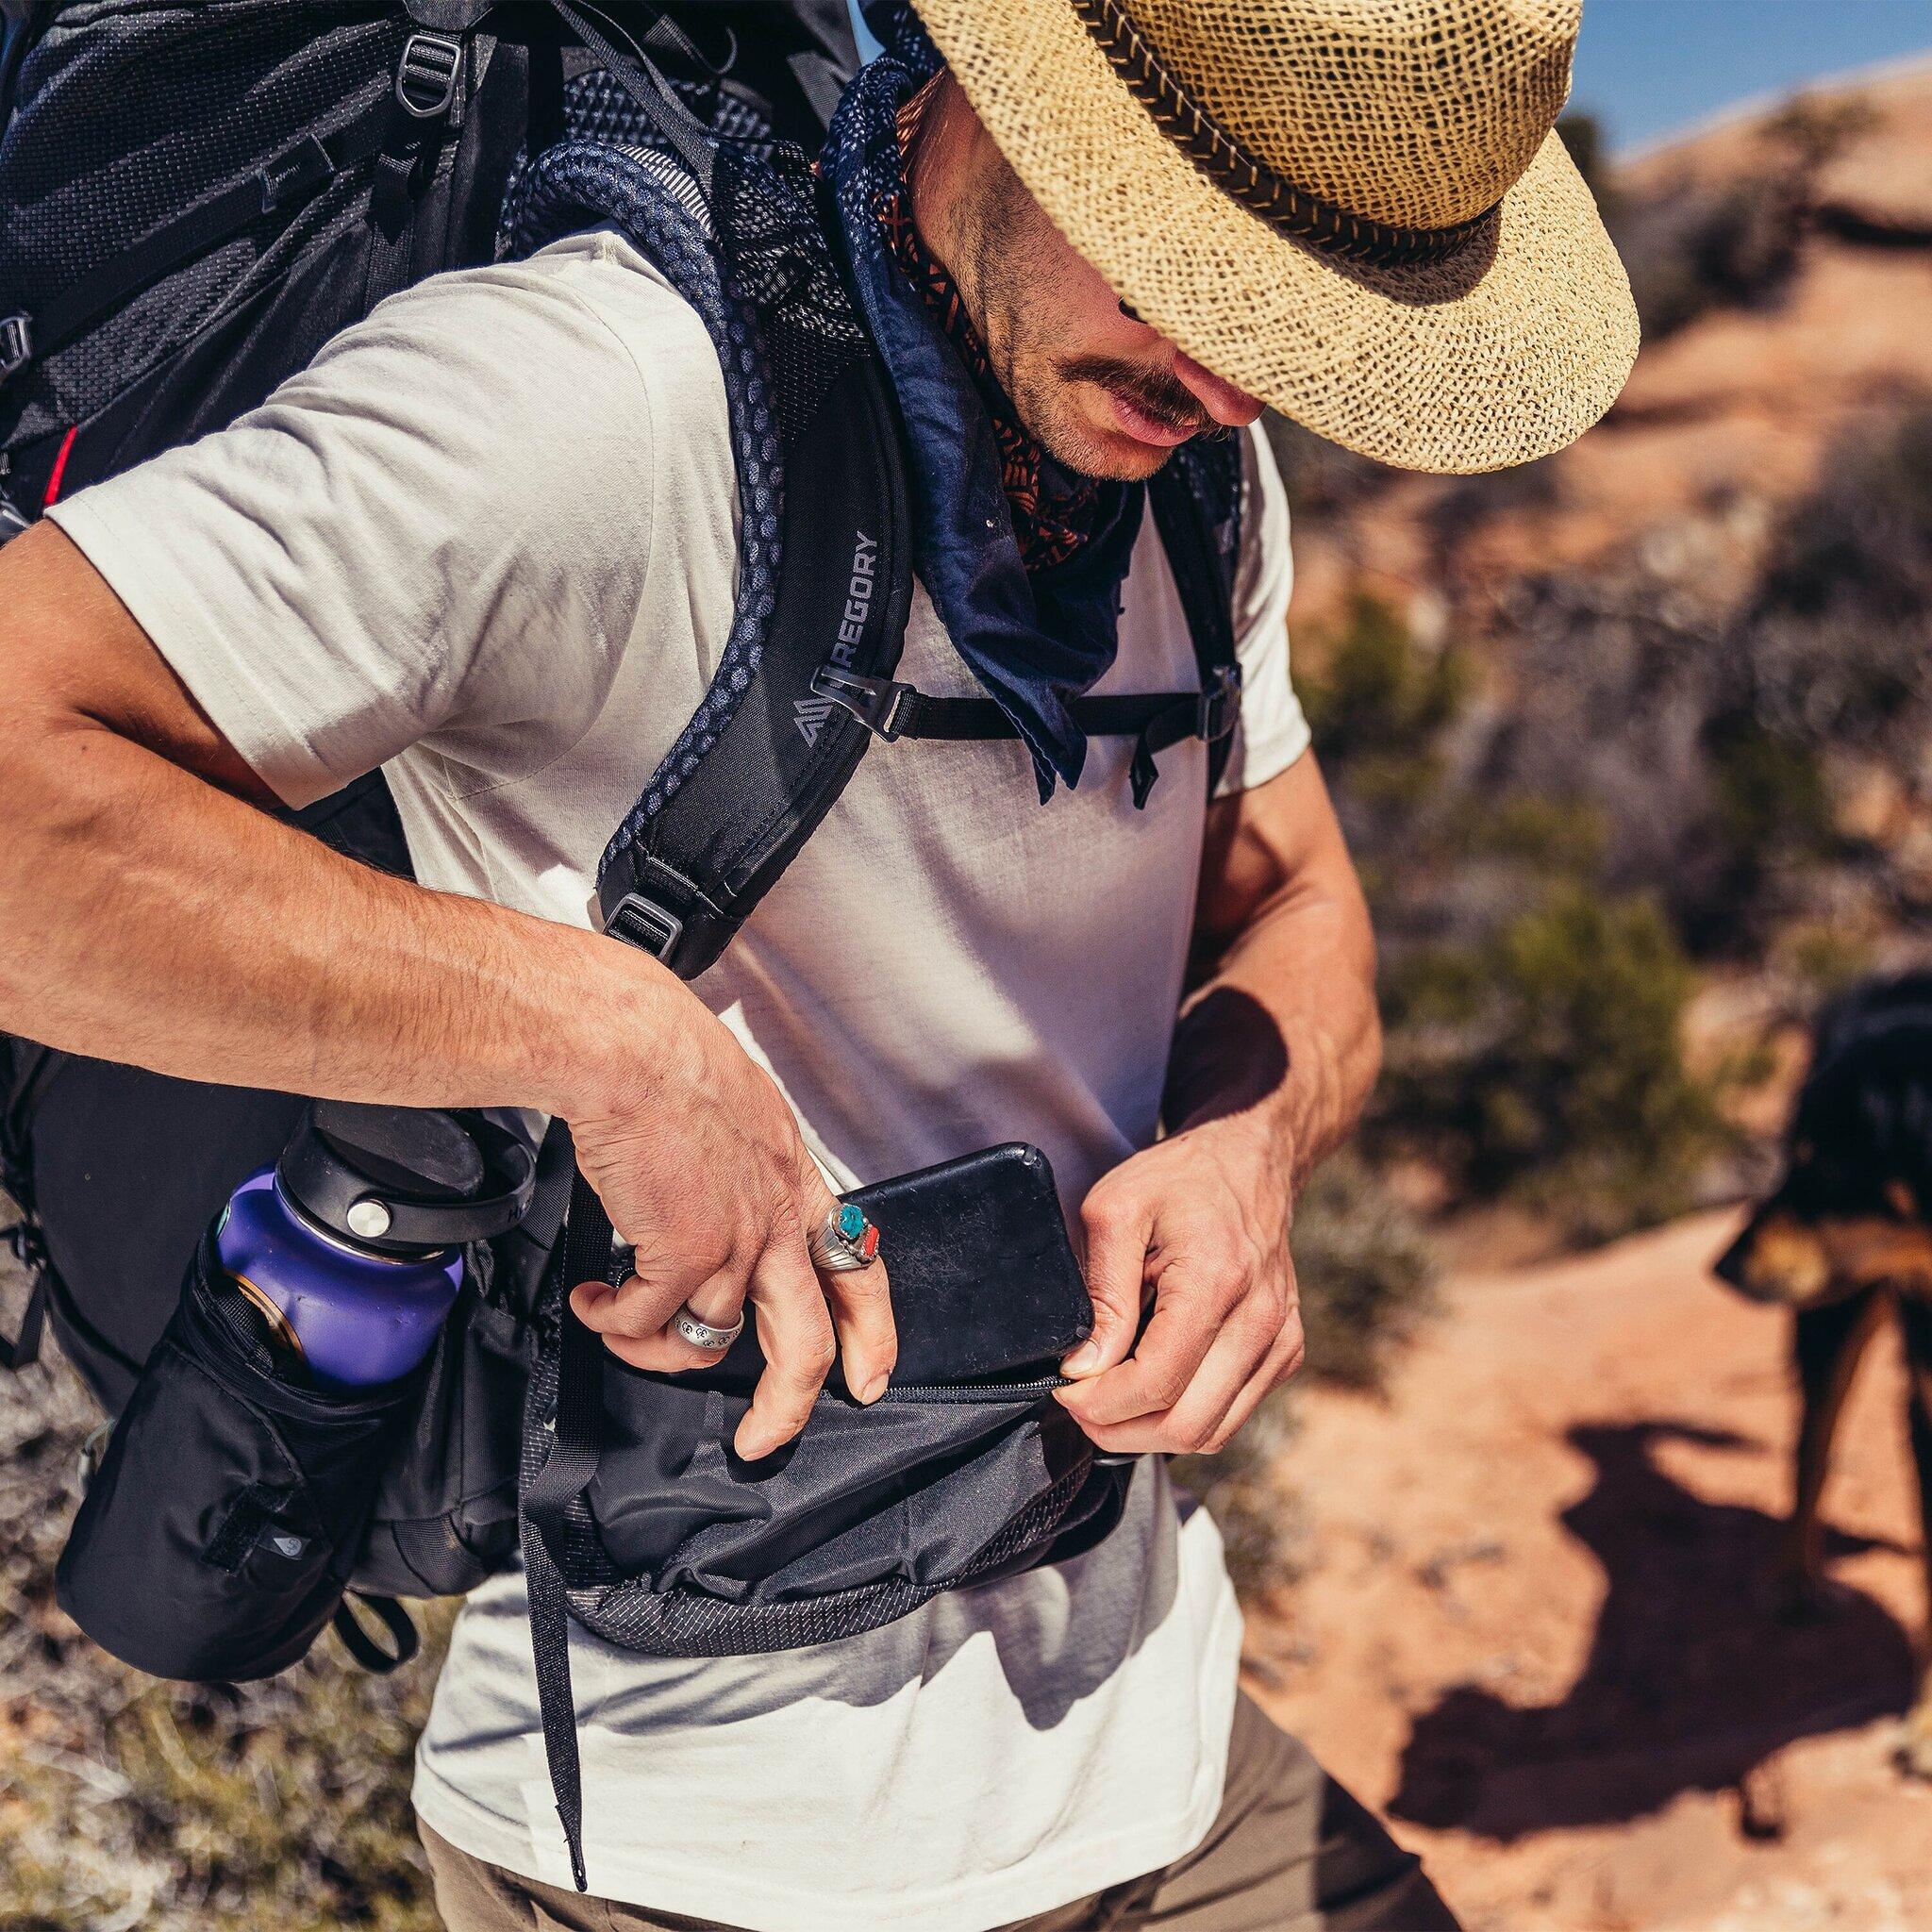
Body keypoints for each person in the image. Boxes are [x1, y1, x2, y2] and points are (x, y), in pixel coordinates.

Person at [0, 0, 1635, 1925]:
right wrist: (604, 1039)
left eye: (1298, 317)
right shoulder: (601, 402)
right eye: (1193, 255)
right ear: (1007, 93)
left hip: (1163, 1751)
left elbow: (1303, 910)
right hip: (695, 1844)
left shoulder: (1191, 474)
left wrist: (1245, 1149)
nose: (1228, 370)